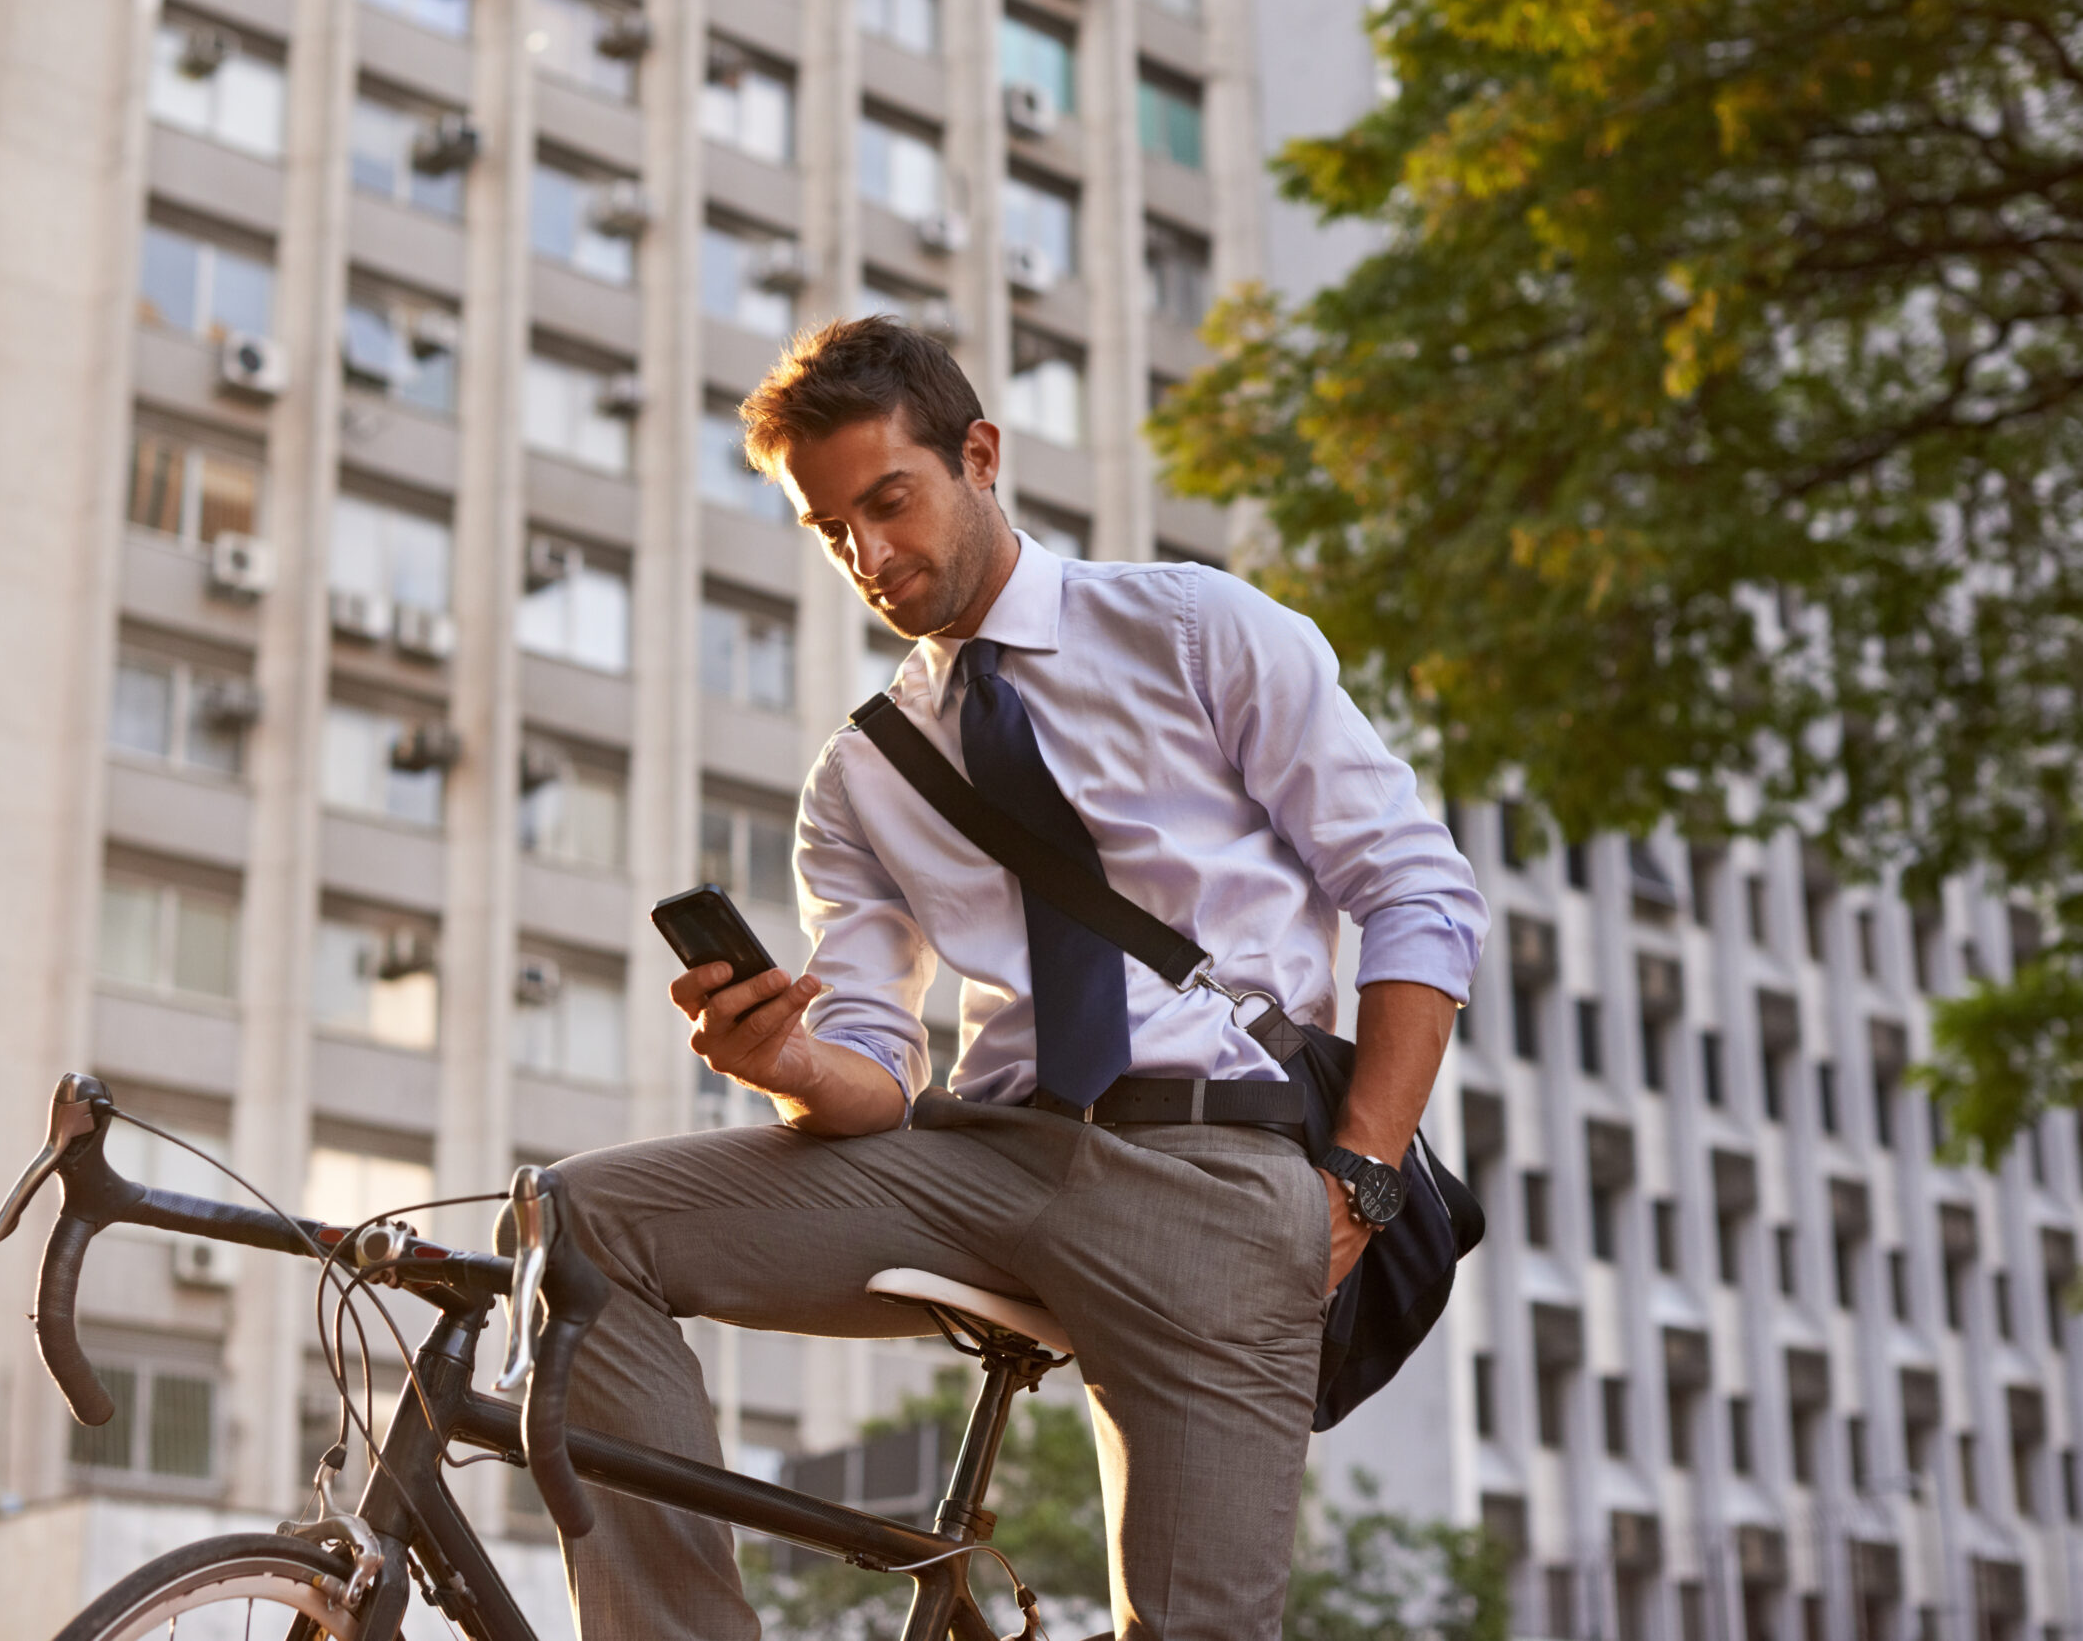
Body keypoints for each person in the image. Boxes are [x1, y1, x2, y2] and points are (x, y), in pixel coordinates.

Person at [549, 317, 1487, 1640]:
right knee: (584, 1221)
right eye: (833, 532)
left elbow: (1417, 892)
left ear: (979, 455)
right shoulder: (862, 773)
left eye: (890, 502)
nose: (872, 557)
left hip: (1210, 1174)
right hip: (986, 1155)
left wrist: (1364, 1174)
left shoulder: (1193, 629)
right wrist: (789, 1064)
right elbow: (875, 1073)